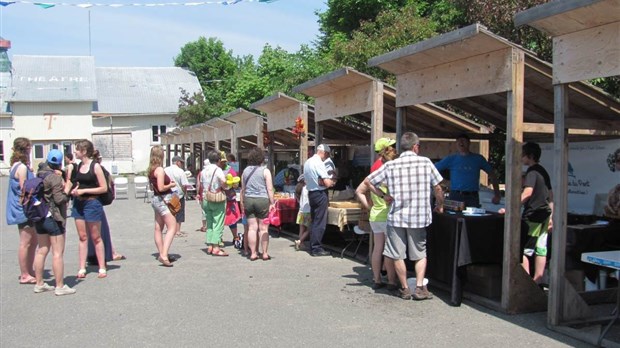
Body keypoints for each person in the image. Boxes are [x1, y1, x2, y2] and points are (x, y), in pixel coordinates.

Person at [365, 132, 444, 300]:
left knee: (397, 253)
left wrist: (382, 196)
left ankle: (405, 288)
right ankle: (421, 287)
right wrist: (440, 205)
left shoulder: (391, 165)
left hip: (396, 217)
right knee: (420, 253)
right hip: (419, 216)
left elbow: (368, 182)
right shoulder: (426, 162)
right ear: (416, 147)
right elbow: (438, 188)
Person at [356, 137, 398, 290]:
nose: (395, 148)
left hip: (375, 214)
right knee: (388, 248)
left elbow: (359, 190)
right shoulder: (387, 166)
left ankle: (377, 279)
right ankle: (391, 281)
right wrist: (381, 197)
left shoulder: (374, 166)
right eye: (392, 146)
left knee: (377, 247)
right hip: (386, 213)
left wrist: (369, 207)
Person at [32, 150, 76, 295]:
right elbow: (59, 200)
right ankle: (60, 286)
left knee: (42, 250)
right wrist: (67, 190)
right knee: (57, 253)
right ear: (59, 162)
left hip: (39, 215)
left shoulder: (39, 174)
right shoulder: (54, 178)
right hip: (53, 217)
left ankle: (39, 283)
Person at [70, 139, 108, 278]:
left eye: (77, 149)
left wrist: (84, 191)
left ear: (84, 151)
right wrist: (76, 189)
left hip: (92, 203)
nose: (75, 152)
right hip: (78, 203)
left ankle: (102, 266)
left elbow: (103, 188)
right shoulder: (79, 165)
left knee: (96, 236)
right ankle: (82, 267)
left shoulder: (95, 166)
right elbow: (79, 183)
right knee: (82, 236)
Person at [434, 133, 501, 207]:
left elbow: (492, 174)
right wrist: (439, 185)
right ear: (456, 144)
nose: (461, 143)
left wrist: (497, 195)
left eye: (464, 141)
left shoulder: (478, 159)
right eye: (459, 141)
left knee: (473, 218)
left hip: (472, 197)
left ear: (469, 143)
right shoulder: (451, 159)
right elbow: (432, 169)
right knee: (455, 217)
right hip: (456, 196)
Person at [520, 142, 553, 284]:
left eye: (523, 155)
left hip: (532, 216)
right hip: (544, 215)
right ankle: (537, 281)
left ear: (530, 156)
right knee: (541, 249)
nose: (521, 158)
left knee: (523, 250)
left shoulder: (532, 172)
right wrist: (551, 215)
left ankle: (527, 283)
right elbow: (551, 195)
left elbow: (528, 192)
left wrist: (510, 208)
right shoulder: (543, 171)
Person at [6, 137, 37, 284]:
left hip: (22, 208)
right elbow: (26, 189)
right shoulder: (22, 167)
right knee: (25, 242)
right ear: (25, 150)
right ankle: (25, 273)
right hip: (24, 209)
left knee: (33, 240)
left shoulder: (15, 165)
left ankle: (29, 270)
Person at [86, 151, 124, 264]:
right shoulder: (99, 169)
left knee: (90, 232)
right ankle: (106, 254)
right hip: (96, 201)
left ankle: (93, 254)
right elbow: (108, 184)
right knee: (100, 231)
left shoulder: (85, 168)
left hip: (87, 202)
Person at [241, 147, 276, 261]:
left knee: (252, 228)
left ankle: (253, 253)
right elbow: (270, 189)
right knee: (263, 228)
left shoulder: (245, 171)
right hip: (262, 200)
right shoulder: (265, 171)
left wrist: (242, 203)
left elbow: (243, 189)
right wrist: (272, 202)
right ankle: (265, 253)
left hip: (249, 199)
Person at [303, 144, 336, 257]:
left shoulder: (308, 162)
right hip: (320, 193)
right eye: (327, 155)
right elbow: (326, 182)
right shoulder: (319, 163)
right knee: (320, 221)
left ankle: (313, 245)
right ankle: (316, 248)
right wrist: (332, 182)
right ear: (324, 152)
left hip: (311, 193)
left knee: (314, 220)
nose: (326, 158)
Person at [148, 145, 178, 267]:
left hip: (155, 199)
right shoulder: (159, 170)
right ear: (161, 156)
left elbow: (154, 187)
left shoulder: (150, 170)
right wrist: (170, 185)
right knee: (172, 227)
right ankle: (164, 254)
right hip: (163, 199)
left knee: (158, 227)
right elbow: (161, 187)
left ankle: (161, 252)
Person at [200, 150, 228, 257]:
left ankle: (210, 245)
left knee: (210, 222)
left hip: (206, 197)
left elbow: (201, 184)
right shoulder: (218, 170)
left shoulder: (203, 171)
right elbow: (223, 183)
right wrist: (229, 185)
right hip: (216, 198)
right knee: (218, 222)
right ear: (219, 160)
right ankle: (216, 247)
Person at [219, 151, 242, 247]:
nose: (223, 163)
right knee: (218, 220)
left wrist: (232, 183)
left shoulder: (230, 170)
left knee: (232, 219)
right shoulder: (216, 170)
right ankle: (218, 238)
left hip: (230, 198)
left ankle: (235, 237)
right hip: (218, 198)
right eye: (221, 161)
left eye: (224, 161)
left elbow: (236, 184)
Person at [165, 155, 190, 238]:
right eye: (181, 162)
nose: (181, 164)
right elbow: (184, 184)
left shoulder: (165, 170)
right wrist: (185, 192)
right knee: (179, 212)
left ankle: (170, 229)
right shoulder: (180, 171)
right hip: (178, 194)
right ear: (177, 162)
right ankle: (177, 230)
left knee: (170, 212)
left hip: (168, 194)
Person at [294, 174, 310, 251]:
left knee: (301, 229)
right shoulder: (307, 188)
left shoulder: (300, 189)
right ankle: (299, 241)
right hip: (308, 211)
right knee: (310, 229)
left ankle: (301, 244)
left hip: (301, 211)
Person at [196, 159, 209, 232]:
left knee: (204, 211)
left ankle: (204, 226)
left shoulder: (201, 173)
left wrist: (197, 193)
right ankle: (211, 226)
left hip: (203, 194)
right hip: (214, 194)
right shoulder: (215, 171)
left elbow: (198, 184)